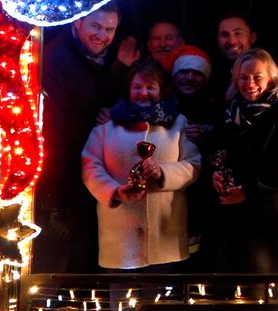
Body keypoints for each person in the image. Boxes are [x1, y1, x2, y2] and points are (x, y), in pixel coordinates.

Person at [34, 1, 139, 273]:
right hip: (64, 175)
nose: (101, 34)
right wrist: (55, 192)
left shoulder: (105, 56)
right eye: (95, 26)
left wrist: (118, 70)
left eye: (109, 29)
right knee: (60, 257)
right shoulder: (56, 59)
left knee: (87, 257)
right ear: (77, 22)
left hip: (95, 172)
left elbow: (98, 96)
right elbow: (54, 129)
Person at [81, 58, 200, 274]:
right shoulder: (106, 126)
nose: (143, 93)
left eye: (150, 87)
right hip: (119, 239)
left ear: (161, 90)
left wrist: (163, 173)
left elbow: (193, 166)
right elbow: (90, 166)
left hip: (165, 238)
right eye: (137, 87)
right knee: (122, 306)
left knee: (161, 306)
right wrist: (115, 192)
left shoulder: (180, 124)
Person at [212, 48, 278, 273]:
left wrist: (248, 191)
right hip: (232, 214)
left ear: (271, 78)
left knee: (262, 287)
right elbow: (221, 153)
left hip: (268, 214)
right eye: (243, 77)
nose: (249, 83)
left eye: (257, 77)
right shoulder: (231, 111)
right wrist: (217, 174)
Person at [165, 45, 224, 270]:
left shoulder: (217, 109)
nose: (189, 77)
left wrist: (206, 139)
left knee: (197, 253)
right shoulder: (161, 106)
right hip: (168, 192)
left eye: (196, 73)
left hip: (203, 196)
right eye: (184, 72)